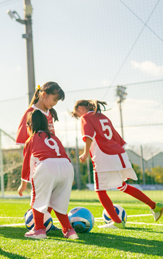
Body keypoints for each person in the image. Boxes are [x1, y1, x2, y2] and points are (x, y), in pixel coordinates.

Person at [71, 100, 163, 228]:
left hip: (104, 156)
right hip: (119, 154)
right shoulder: (103, 117)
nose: (78, 117)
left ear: (80, 108)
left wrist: (86, 153)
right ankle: (155, 206)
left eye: (77, 114)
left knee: (100, 191)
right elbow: (117, 138)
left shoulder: (86, 117)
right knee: (122, 186)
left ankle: (117, 222)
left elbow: (88, 136)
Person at [17, 110, 77, 240]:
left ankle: (39, 229)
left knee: (37, 198)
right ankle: (69, 231)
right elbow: (64, 157)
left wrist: (23, 185)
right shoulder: (54, 137)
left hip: (47, 166)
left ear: (30, 126)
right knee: (59, 202)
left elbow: (27, 165)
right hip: (67, 167)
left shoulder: (31, 140)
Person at [16, 82, 65, 146]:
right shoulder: (29, 113)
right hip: (36, 153)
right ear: (44, 94)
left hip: (48, 152)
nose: (55, 103)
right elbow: (22, 140)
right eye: (54, 100)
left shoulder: (50, 113)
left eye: (57, 101)